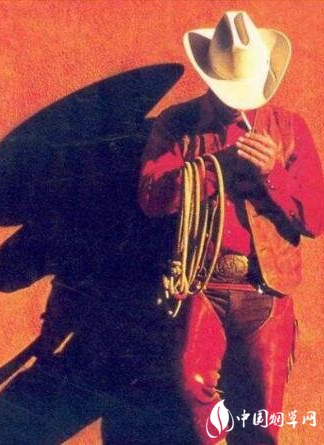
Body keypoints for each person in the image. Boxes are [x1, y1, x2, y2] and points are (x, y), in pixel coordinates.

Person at [138, 11, 324, 445]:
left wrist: (273, 173)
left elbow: (316, 219)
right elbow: (150, 198)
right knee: (193, 382)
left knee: (266, 416)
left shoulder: (289, 126)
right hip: (202, 283)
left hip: (267, 286)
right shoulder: (178, 124)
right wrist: (211, 169)